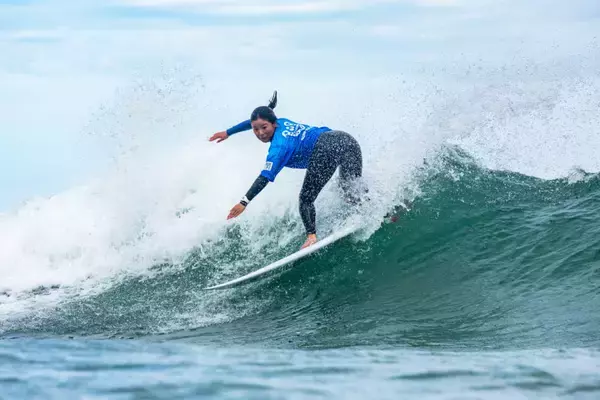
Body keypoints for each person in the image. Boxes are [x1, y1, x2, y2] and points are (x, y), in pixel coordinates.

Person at [209, 91, 366, 249]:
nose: (260, 133)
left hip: (326, 148)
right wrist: (228, 132)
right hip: (346, 140)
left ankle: (311, 237)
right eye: (255, 129)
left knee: (306, 200)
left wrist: (244, 202)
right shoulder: (280, 121)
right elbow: (252, 123)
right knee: (350, 189)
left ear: (274, 124)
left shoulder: (278, 147)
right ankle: (371, 211)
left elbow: (264, 177)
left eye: (264, 128)